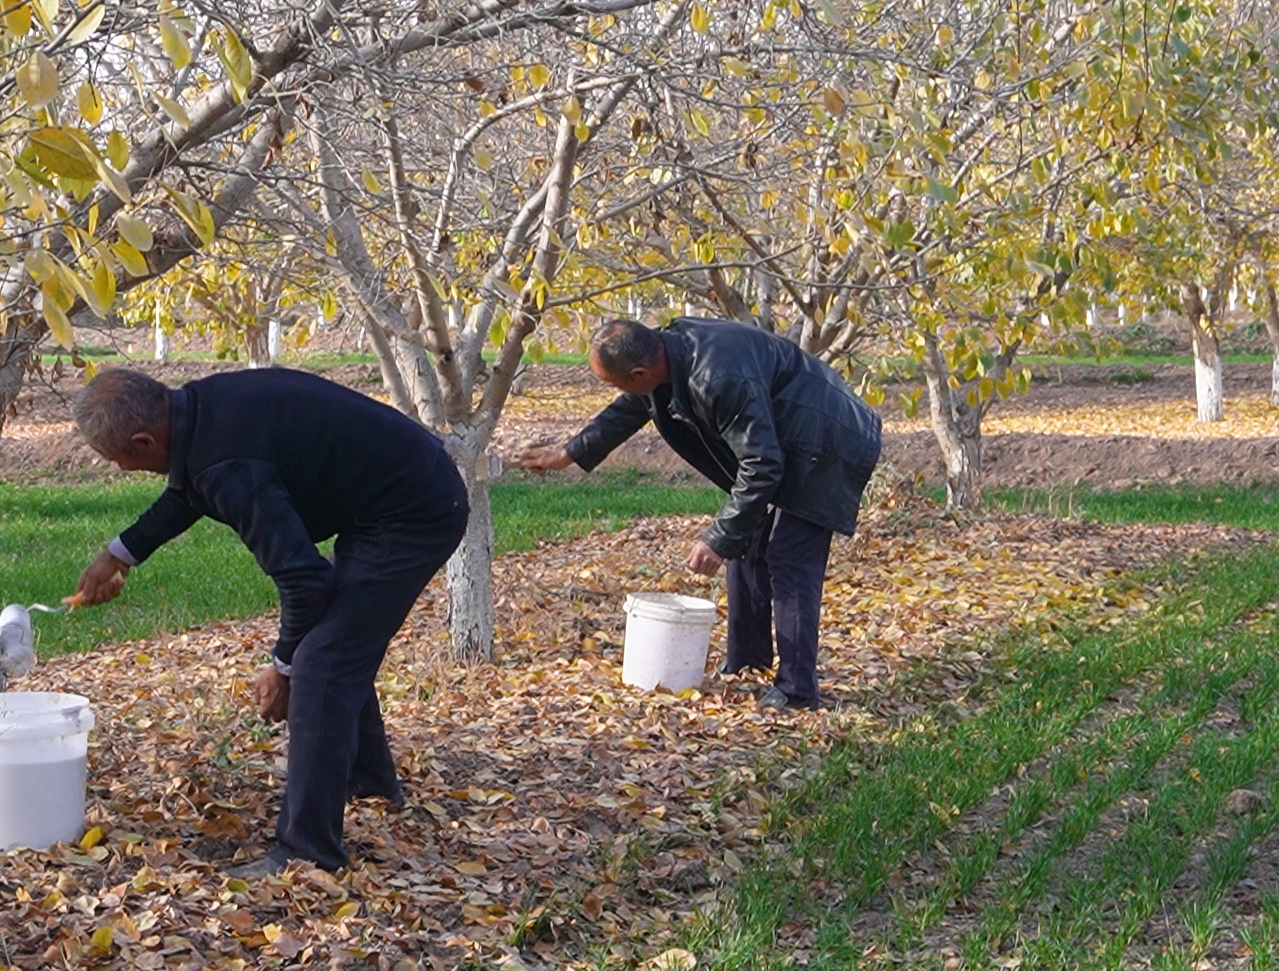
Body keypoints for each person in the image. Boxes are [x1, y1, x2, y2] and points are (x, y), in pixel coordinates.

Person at [70, 367, 469, 877]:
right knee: (336, 643)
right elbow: (191, 488)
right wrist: (119, 553)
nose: (122, 469)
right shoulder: (201, 409)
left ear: (144, 440)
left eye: (118, 459)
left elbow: (304, 582)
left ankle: (307, 851)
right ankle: (369, 782)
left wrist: (282, 668)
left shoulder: (226, 462)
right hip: (393, 494)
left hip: (415, 511)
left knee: (321, 661)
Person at [515, 318, 882, 711]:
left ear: (640, 372)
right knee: (747, 536)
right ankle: (747, 663)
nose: (619, 392)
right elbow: (631, 406)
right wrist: (569, 453)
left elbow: (762, 464)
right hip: (787, 433)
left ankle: (797, 691)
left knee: (789, 558)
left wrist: (716, 538)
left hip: (827, 438)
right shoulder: (668, 349)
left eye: (617, 383)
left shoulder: (718, 377)